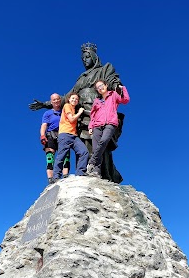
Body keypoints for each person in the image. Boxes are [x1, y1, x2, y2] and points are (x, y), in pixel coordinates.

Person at [29, 43, 125, 183]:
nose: (85, 60)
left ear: (93, 56)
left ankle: (102, 175)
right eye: (83, 58)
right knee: (84, 145)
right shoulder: (81, 78)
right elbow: (66, 98)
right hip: (81, 115)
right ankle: (84, 173)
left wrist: (117, 86)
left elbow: (112, 80)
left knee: (98, 144)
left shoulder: (104, 68)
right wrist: (45, 104)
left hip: (97, 111)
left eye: (87, 57)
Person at [87, 80, 130, 178]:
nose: (100, 88)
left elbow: (125, 100)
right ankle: (96, 172)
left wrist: (122, 88)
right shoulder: (97, 101)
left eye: (101, 85)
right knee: (95, 148)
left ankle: (91, 162)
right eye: (98, 87)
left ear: (106, 85)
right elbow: (93, 115)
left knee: (103, 141)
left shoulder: (113, 95)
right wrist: (90, 126)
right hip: (97, 125)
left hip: (110, 124)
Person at [52, 93, 88, 181]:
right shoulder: (67, 106)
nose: (74, 100)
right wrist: (80, 112)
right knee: (62, 155)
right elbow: (71, 119)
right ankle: (56, 176)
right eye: (73, 98)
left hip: (74, 135)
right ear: (69, 99)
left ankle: (80, 172)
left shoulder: (74, 108)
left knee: (84, 152)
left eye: (76, 99)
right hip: (65, 134)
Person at [40, 93, 70, 184]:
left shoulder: (65, 111)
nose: (56, 101)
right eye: (54, 100)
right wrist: (42, 135)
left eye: (57, 99)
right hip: (51, 135)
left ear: (60, 100)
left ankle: (65, 176)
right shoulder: (48, 113)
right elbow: (44, 125)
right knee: (50, 156)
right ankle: (50, 179)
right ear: (51, 102)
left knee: (66, 156)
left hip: (63, 134)